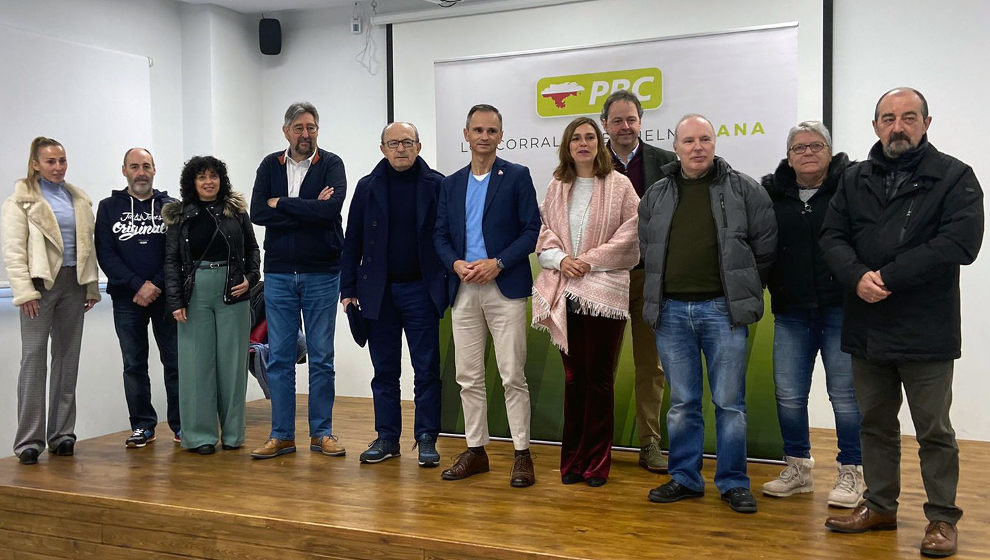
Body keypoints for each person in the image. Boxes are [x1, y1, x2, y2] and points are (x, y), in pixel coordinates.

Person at [822, 88, 983, 558]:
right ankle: (879, 505)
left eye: (909, 117)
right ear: (875, 126)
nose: (898, 126)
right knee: (874, 423)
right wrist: (856, 277)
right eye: (888, 118)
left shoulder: (955, 177)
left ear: (926, 123)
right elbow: (832, 236)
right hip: (866, 322)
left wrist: (887, 276)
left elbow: (960, 243)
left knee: (933, 429)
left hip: (925, 328)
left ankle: (941, 519)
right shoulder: (853, 179)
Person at [639, 114, 776, 513]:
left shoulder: (744, 190)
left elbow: (765, 248)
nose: (697, 147)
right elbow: (648, 248)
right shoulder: (657, 194)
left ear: (715, 143)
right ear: (676, 147)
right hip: (672, 314)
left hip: (723, 311)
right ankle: (684, 477)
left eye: (705, 139)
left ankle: (733, 482)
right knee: (682, 403)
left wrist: (739, 289)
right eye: (689, 141)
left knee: (730, 404)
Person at [434, 104, 541, 487]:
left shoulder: (516, 176)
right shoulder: (450, 184)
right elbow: (440, 235)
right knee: (468, 376)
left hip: (504, 288)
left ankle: (522, 454)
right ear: (466, 135)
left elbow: (532, 231)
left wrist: (499, 262)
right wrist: (455, 264)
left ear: (500, 135)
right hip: (464, 289)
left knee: (512, 375)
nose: (484, 136)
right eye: (477, 130)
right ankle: (476, 450)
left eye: (491, 130)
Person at [759, 122, 864, 507]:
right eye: (799, 147)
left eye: (815, 145)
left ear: (830, 151)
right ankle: (798, 468)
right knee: (789, 396)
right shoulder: (770, 193)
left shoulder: (852, 187)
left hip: (842, 309)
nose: (807, 152)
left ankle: (852, 472)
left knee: (845, 396)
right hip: (790, 312)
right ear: (788, 155)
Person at [532, 117, 640, 487]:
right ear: (567, 145)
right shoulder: (557, 186)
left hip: (604, 295)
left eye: (590, 137)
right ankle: (572, 462)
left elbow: (631, 236)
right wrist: (562, 260)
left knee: (600, 380)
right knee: (574, 378)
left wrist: (588, 261)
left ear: (601, 142)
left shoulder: (620, 185)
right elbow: (545, 234)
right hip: (565, 291)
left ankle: (597, 462)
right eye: (576, 138)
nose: (583, 143)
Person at [340, 122, 446, 467]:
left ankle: (426, 438)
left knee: (426, 369)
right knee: (384, 371)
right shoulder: (367, 187)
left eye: (407, 142)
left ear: (419, 145)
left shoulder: (437, 185)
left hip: (421, 290)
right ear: (382, 148)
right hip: (377, 293)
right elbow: (351, 239)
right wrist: (347, 290)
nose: (401, 148)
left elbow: (449, 238)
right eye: (393, 143)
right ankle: (387, 438)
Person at [249, 102, 347, 460]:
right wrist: (307, 206)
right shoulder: (269, 165)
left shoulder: (332, 164)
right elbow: (258, 212)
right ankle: (282, 436)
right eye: (299, 128)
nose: (306, 134)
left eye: (312, 127)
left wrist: (283, 205)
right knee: (279, 358)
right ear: (286, 130)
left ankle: (322, 433)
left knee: (321, 357)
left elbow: (329, 211)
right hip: (277, 274)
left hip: (323, 272)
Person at [2, 137, 100, 465]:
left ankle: (62, 435)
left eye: (62, 160)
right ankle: (29, 441)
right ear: (35, 164)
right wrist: (25, 291)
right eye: (50, 162)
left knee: (67, 358)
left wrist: (90, 287)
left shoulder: (78, 198)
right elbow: (14, 251)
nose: (58, 167)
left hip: (74, 282)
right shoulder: (21, 200)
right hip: (39, 286)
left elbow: (87, 245)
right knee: (33, 360)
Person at [600, 90, 677, 473]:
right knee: (602, 366)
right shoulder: (589, 162)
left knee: (651, 366)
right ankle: (599, 444)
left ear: (641, 122)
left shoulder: (666, 163)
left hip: (650, 277)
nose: (625, 126)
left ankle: (650, 442)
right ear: (605, 125)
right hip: (605, 279)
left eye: (631, 119)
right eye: (617, 120)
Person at [163, 156, 260, 455]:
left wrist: (251, 277)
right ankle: (199, 436)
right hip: (195, 294)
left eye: (214, 176)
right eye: (202, 177)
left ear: (221, 179)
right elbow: (171, 261)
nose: (208, 182)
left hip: (233, 290)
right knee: (196, 366)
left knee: (232, 366)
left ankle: (233, 435)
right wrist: (175, 300)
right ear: (192, 182)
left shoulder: (235, 210)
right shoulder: (180, 216)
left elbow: (253, 249)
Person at [95, 148, 180, 448]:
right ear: (124, 171)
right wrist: (137, 285)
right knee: (134, 364)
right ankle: (143, 425)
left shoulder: (171, 206)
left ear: (155, 169)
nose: (141, 172)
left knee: (175, 361)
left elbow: (176, 253)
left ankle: (181, 425)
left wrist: (155, 284)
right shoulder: (108, 208)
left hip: (167, 297)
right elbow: (106, 253)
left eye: (146, 166)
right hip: (126, 298)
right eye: (134, 166)